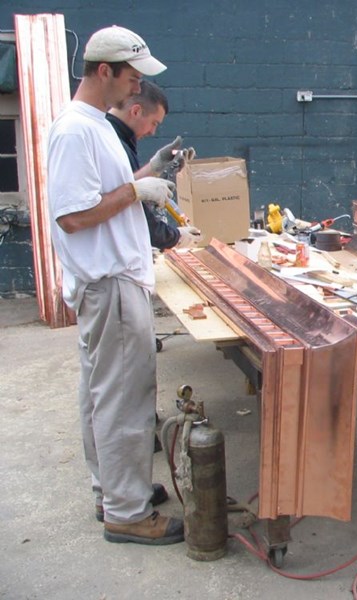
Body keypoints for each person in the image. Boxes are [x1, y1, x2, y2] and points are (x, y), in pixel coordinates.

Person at [47, 25, 184, 545]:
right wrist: (136, 191)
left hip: (108, 281)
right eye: (132, 77)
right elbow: (73, 217)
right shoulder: (74, 131)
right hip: (110, 282)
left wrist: (149, 172)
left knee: (101, 395)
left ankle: (113, 492)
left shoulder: (97, 124)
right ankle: (127, 513)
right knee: (125, 399)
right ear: (104, 71)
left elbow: (108, 190)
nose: (137, 87)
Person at [106, 80, 201, 250]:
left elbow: (121, 188)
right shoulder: (112, 143)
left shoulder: (113, 136)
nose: (152, 131)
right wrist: (175, 237)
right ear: (136, 111)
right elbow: (125, 202)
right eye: (154, 123)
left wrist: (156, 165)